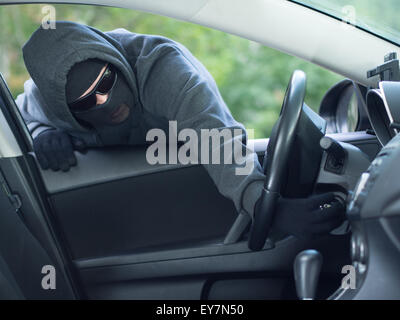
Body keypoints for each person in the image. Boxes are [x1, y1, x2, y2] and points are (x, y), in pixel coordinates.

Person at [16, 21, 344, 241]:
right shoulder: (46, 102)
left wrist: (260, 203)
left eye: (106, 82)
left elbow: (215, 136)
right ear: (64, 107)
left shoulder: (165, 69)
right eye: (88, 102)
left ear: (114, 60)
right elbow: (20, 119)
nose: (105, 101)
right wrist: (39, 133)